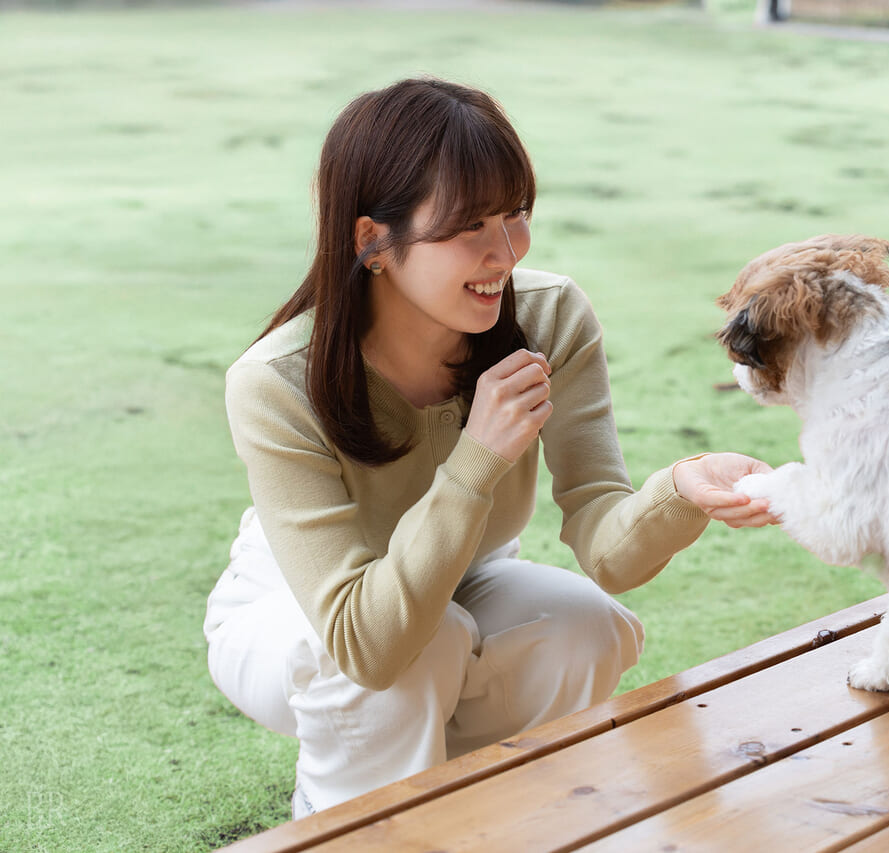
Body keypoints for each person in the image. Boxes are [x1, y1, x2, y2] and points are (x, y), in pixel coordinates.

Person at [202, 76, 776, 819]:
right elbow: (366, 643)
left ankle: (506, 818)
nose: (505, 251)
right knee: (420, 650)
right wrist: (475, 455)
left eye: (516, 213)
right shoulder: (277, 383)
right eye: (470, 225)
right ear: (372, 240)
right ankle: (350, 823)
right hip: (300, 609)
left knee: (582, 626)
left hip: (461, 575)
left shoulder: (550, 315)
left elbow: (608, 549)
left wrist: (683, 487)